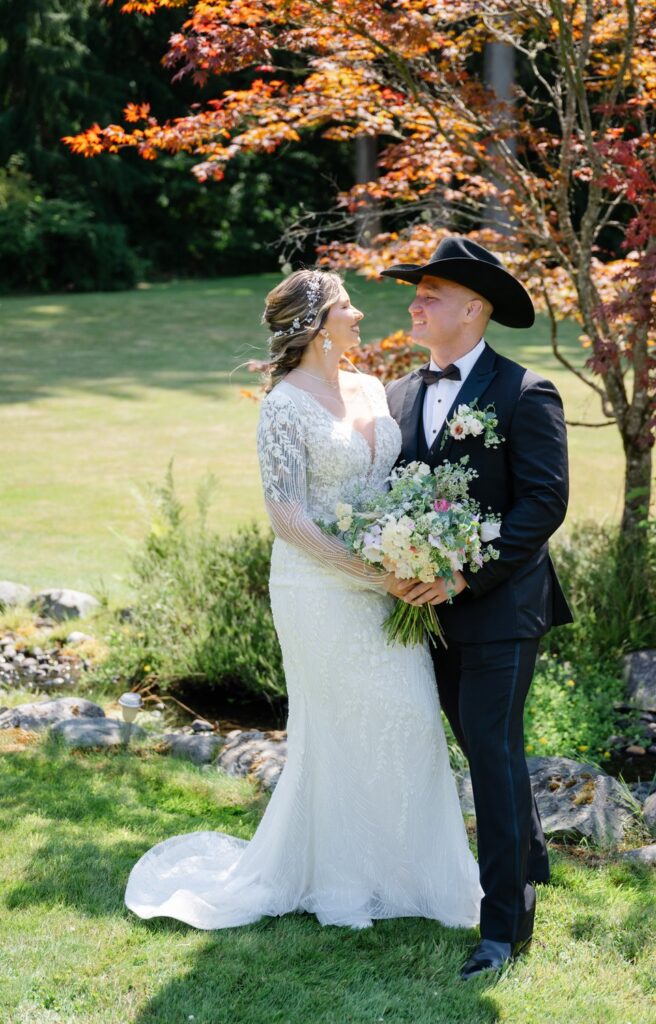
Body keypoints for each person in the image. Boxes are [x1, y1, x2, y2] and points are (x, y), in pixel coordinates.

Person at [124, 268, 482, 933]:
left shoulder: (371, 385)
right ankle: (341, 881)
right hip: (317, 589)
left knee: (407, 719)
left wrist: (413, 549)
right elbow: (286, 516)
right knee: (340, 730)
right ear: (318, 326)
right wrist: (375, 575)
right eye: (347, 307)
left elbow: (394, 482)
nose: (359, 316)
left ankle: (413, 874)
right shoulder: (283, 406)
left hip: (386, 582)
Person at [381, 237, 573, 981]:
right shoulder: (397, 394)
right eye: (416, 292)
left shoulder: (525, 393)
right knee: (476, 746)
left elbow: (543, 505)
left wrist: (462, 578)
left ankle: (503, 927)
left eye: (428, 293)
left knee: (490, 756)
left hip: (499, 610)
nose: (414, 304)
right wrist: (394, 564)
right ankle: (527, 855)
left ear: (473, 307)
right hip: (421, 612)